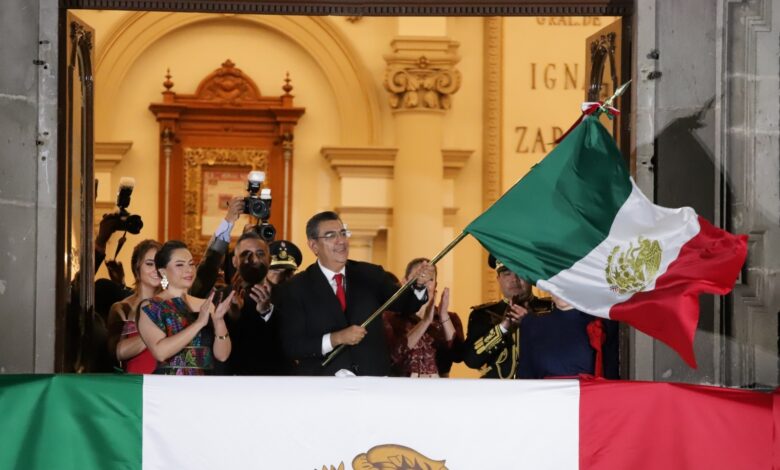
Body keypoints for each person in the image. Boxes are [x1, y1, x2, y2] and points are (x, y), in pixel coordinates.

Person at [277, 211, 434, 376]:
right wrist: (336, 338)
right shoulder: (296, 288)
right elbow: (293, 346)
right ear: (314, 246)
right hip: (322, 386)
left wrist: (419, 285)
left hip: (372, 381)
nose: (341, 241)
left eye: (343, 233)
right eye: (331, 236)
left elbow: (405, 304)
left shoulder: (371, 274)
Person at [138, 240, 234, 375]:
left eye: (191, 264)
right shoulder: (152, 306)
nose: (189, 270)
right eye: (179, 265)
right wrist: (199, 323)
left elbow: (222, 355)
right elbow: (161, 353)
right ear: (163, 271)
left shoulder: (205, 305)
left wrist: (219, 321)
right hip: (170, 386)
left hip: (205, 386)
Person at [222, 233, 295, 375]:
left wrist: (267, 312)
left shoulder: (289, 295)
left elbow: (292, 341)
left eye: (260, 254)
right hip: (233, 382)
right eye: (246, 254)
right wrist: (233, 315)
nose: (254, 259)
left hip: (276, 381)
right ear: (235, 261)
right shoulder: (220, 296)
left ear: (269, 259)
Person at [462, 255, 543, 379]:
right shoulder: (483, 314)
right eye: (507, 273)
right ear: (498, 279)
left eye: (520, 273)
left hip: (541, 391)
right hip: (497, 394)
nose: (514, 279)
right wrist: (501, 328)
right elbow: (471, 360)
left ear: (531, 277)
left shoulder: (551, 309)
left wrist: (531, 323)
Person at [384, 258, 464, 378]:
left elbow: (458, 356)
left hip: (439, 390)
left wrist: (444, 316)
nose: (424, 282)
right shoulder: (390, 317)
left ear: (436, 284)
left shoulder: (450, 318)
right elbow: (392, 356)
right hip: (401, 389)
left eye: (430, 279)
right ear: (404, 282)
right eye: (419, 277)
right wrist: (425, 321)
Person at [517, 295, 620, 379]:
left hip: (590, 398)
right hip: (547, 400)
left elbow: (611, 371)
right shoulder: (531, 325)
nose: (559, 289)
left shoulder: (603, 321)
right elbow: (525, 377)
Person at [105, 239, 161, 374]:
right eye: (149, 264)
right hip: (136, 385)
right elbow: (116, 352)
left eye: (160, 264)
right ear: (137, 268)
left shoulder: (173, 305)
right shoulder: (122, 308)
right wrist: (157, 332)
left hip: (168, 384)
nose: (156, 270)